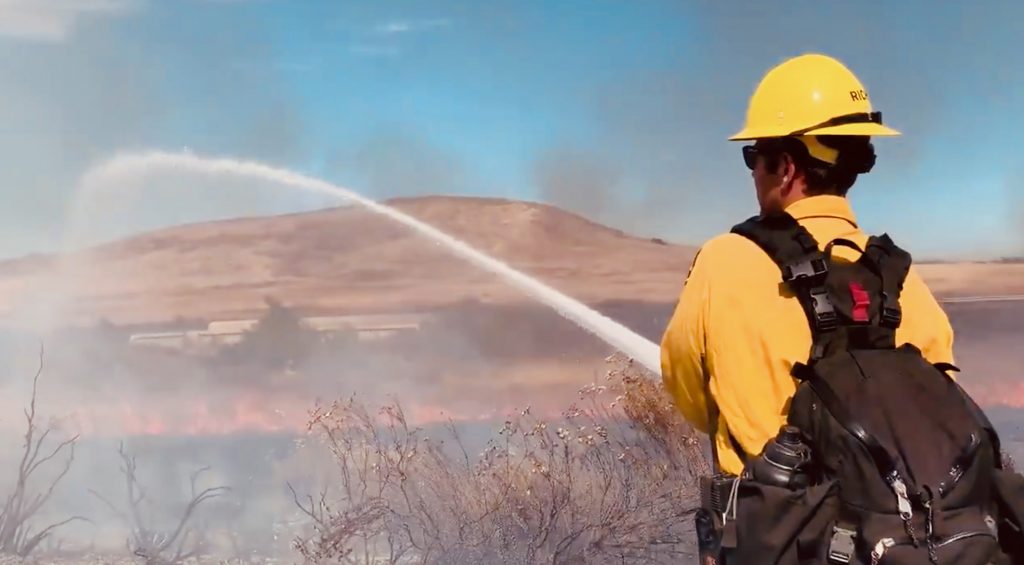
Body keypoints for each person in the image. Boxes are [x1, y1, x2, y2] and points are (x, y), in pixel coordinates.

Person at [659, 53, 957, 477]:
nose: (752, 173)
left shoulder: (724, 261)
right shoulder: (902, 278)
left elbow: (691, 396)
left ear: (785, 167)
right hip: (902, 515)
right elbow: (941, 408)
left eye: (753, 156)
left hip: (775, 518)